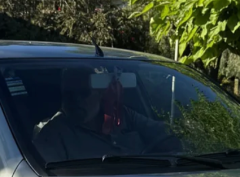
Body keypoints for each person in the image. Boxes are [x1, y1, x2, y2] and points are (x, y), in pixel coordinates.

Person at [34, 66, 174, 163]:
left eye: (84, 93)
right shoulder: (52, 135)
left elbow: (165, 134)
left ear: (100, 94)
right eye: (69, 95)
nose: (76, 100)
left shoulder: (122, 115)